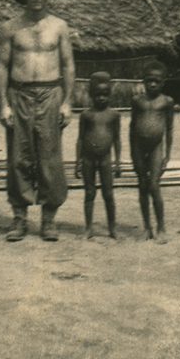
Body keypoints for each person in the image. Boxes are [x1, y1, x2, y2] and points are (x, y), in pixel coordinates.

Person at [0, 0, 75, 242]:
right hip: (19, 95)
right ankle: (19, 219)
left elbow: (67, 64)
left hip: (51, 93)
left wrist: (67, 101)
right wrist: (3, 104)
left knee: (50, 156)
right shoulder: (10, 28)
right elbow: (2, 66)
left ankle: (49, 220)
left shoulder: (59, 26)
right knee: (19, 157)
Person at [130, 60, 174, 243]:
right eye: (149, 81)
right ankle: (147, 227)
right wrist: (133, 153)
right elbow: (132, 127)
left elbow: (170, 128)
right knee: (142, 186)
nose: (152, 84)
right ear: (143, 82)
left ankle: (161, 227)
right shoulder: (137, 101)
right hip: (139, 149)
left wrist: (167, 156)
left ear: (163, 82)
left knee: (154, 186)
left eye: (157, 81)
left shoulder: (167, 102)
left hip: (156, 147)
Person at [75, 72, 122, 239]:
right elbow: (80, 139)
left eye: (105, 95)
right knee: (89, 193)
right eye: (97, 95)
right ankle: (88, 228)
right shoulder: (86, 115)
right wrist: (77, 162)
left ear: (110, 94)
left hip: (105, 160)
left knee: (108, 194)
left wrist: (117, 162)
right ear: (90, 95)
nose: (101, 98)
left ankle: (112, 228)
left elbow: (116, 139)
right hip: (88, 159)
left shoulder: (114, 115)